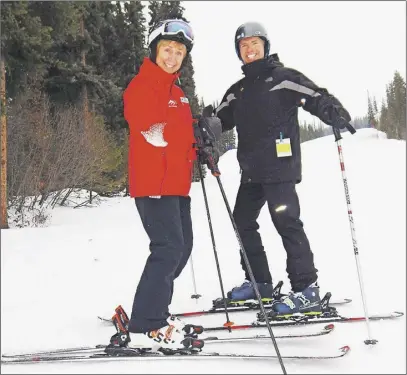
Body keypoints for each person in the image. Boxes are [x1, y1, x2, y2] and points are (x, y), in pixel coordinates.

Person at [212, 21, 352, 316]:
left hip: (279, 167)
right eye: (244, 46)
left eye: (255, 44)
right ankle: (259, 283)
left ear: (265, 46)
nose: (250, 50)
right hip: (251, 171)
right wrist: (202, 128)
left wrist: (333, 111)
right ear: (239, 52)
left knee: (286, 223)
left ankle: (306, 289)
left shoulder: (283, 78)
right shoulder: (237, 91)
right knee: (243, 222)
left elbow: (315, 96)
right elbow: (219, 120)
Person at [121, 19, 208, 351]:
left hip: (176, 185)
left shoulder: (178, 93)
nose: (172, 57)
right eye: (167, 50)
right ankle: (146, 322)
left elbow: (180, 135)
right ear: (154, 50)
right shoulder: (142, 86)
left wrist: (202, 137)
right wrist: (191, 134)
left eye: (179, 51)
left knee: (181, 248)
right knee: (168, 248)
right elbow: (152, 132)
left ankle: (156, 307)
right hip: (152, 184)